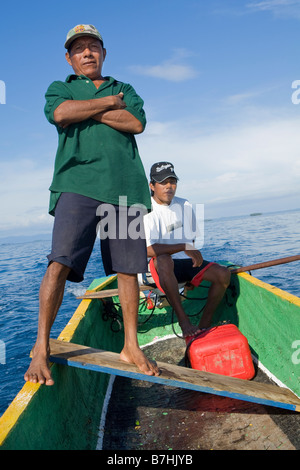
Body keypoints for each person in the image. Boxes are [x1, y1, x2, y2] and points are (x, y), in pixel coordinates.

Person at [24, 24, 160, 386]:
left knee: (128, 268)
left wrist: (88, 109)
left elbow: (135, 122)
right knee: (59, 262)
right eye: (79, 48)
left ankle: (131, 345)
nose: (87, 53)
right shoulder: (61, 88)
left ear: (104, 52)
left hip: (125, 191)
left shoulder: (125, 88)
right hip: (77, 184)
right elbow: (60, 114)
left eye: (93, 47)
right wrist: (104, 104)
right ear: (69, 57)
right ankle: (41, 348)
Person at [143, 162, 231, 338]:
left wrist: (190, 254)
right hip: (156, 268)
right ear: (152, 186)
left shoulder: (185, 204)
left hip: (182, 263)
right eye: (163, 182)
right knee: (164, 259)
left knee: (223, 274)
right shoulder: (145, 208)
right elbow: (148, 250)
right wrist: (183, 246)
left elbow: (190, 240)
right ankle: (184, 321)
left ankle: (204, 325)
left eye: (172, 182)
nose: (169, 187)